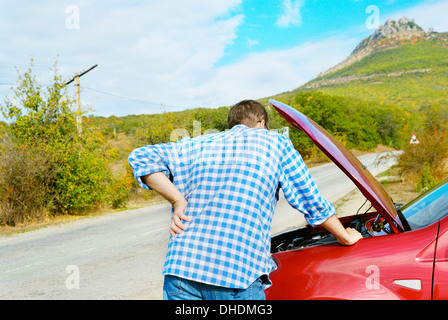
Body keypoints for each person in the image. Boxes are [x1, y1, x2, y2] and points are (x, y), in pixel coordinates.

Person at [128, 100, 362, 300]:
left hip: (181, 270)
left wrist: (177, 200)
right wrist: (344, 235)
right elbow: (310, 199)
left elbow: (141, 157)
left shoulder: (196, 144)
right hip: (236, 272)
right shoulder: (276, 143)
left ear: (232, 124)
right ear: (262, 123)